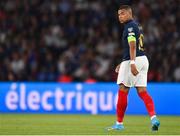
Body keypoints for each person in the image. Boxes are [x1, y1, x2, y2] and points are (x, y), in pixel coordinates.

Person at [107, 5, 160, 131]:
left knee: (123, 89)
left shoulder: (129, 26)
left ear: (130, 14)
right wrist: (123, 62)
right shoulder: (137, 25)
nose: (120, 16)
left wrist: (131, 63)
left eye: (123, 14)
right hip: (143, 59)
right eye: (119, 14)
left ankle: (119, 124)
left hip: (134, 60)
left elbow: (132, 45)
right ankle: (154, 118)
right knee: (142, 92)